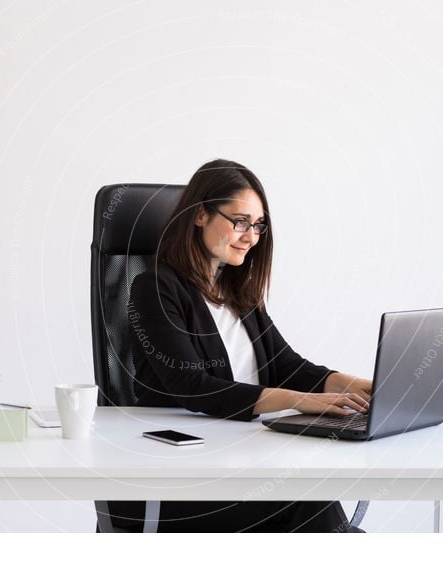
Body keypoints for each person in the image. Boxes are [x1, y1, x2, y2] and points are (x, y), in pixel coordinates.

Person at [126, 159, 372, 532]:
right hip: (188, 483)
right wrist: (296, 400)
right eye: (240, 221)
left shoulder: (238, 294)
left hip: (246, 462)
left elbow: (289, 365)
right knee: (312, 503)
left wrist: (365, 387)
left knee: (315, 499)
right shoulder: (155, 288)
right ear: (199, 216)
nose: (251, 236)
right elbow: (195, 389)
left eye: (258, 225)